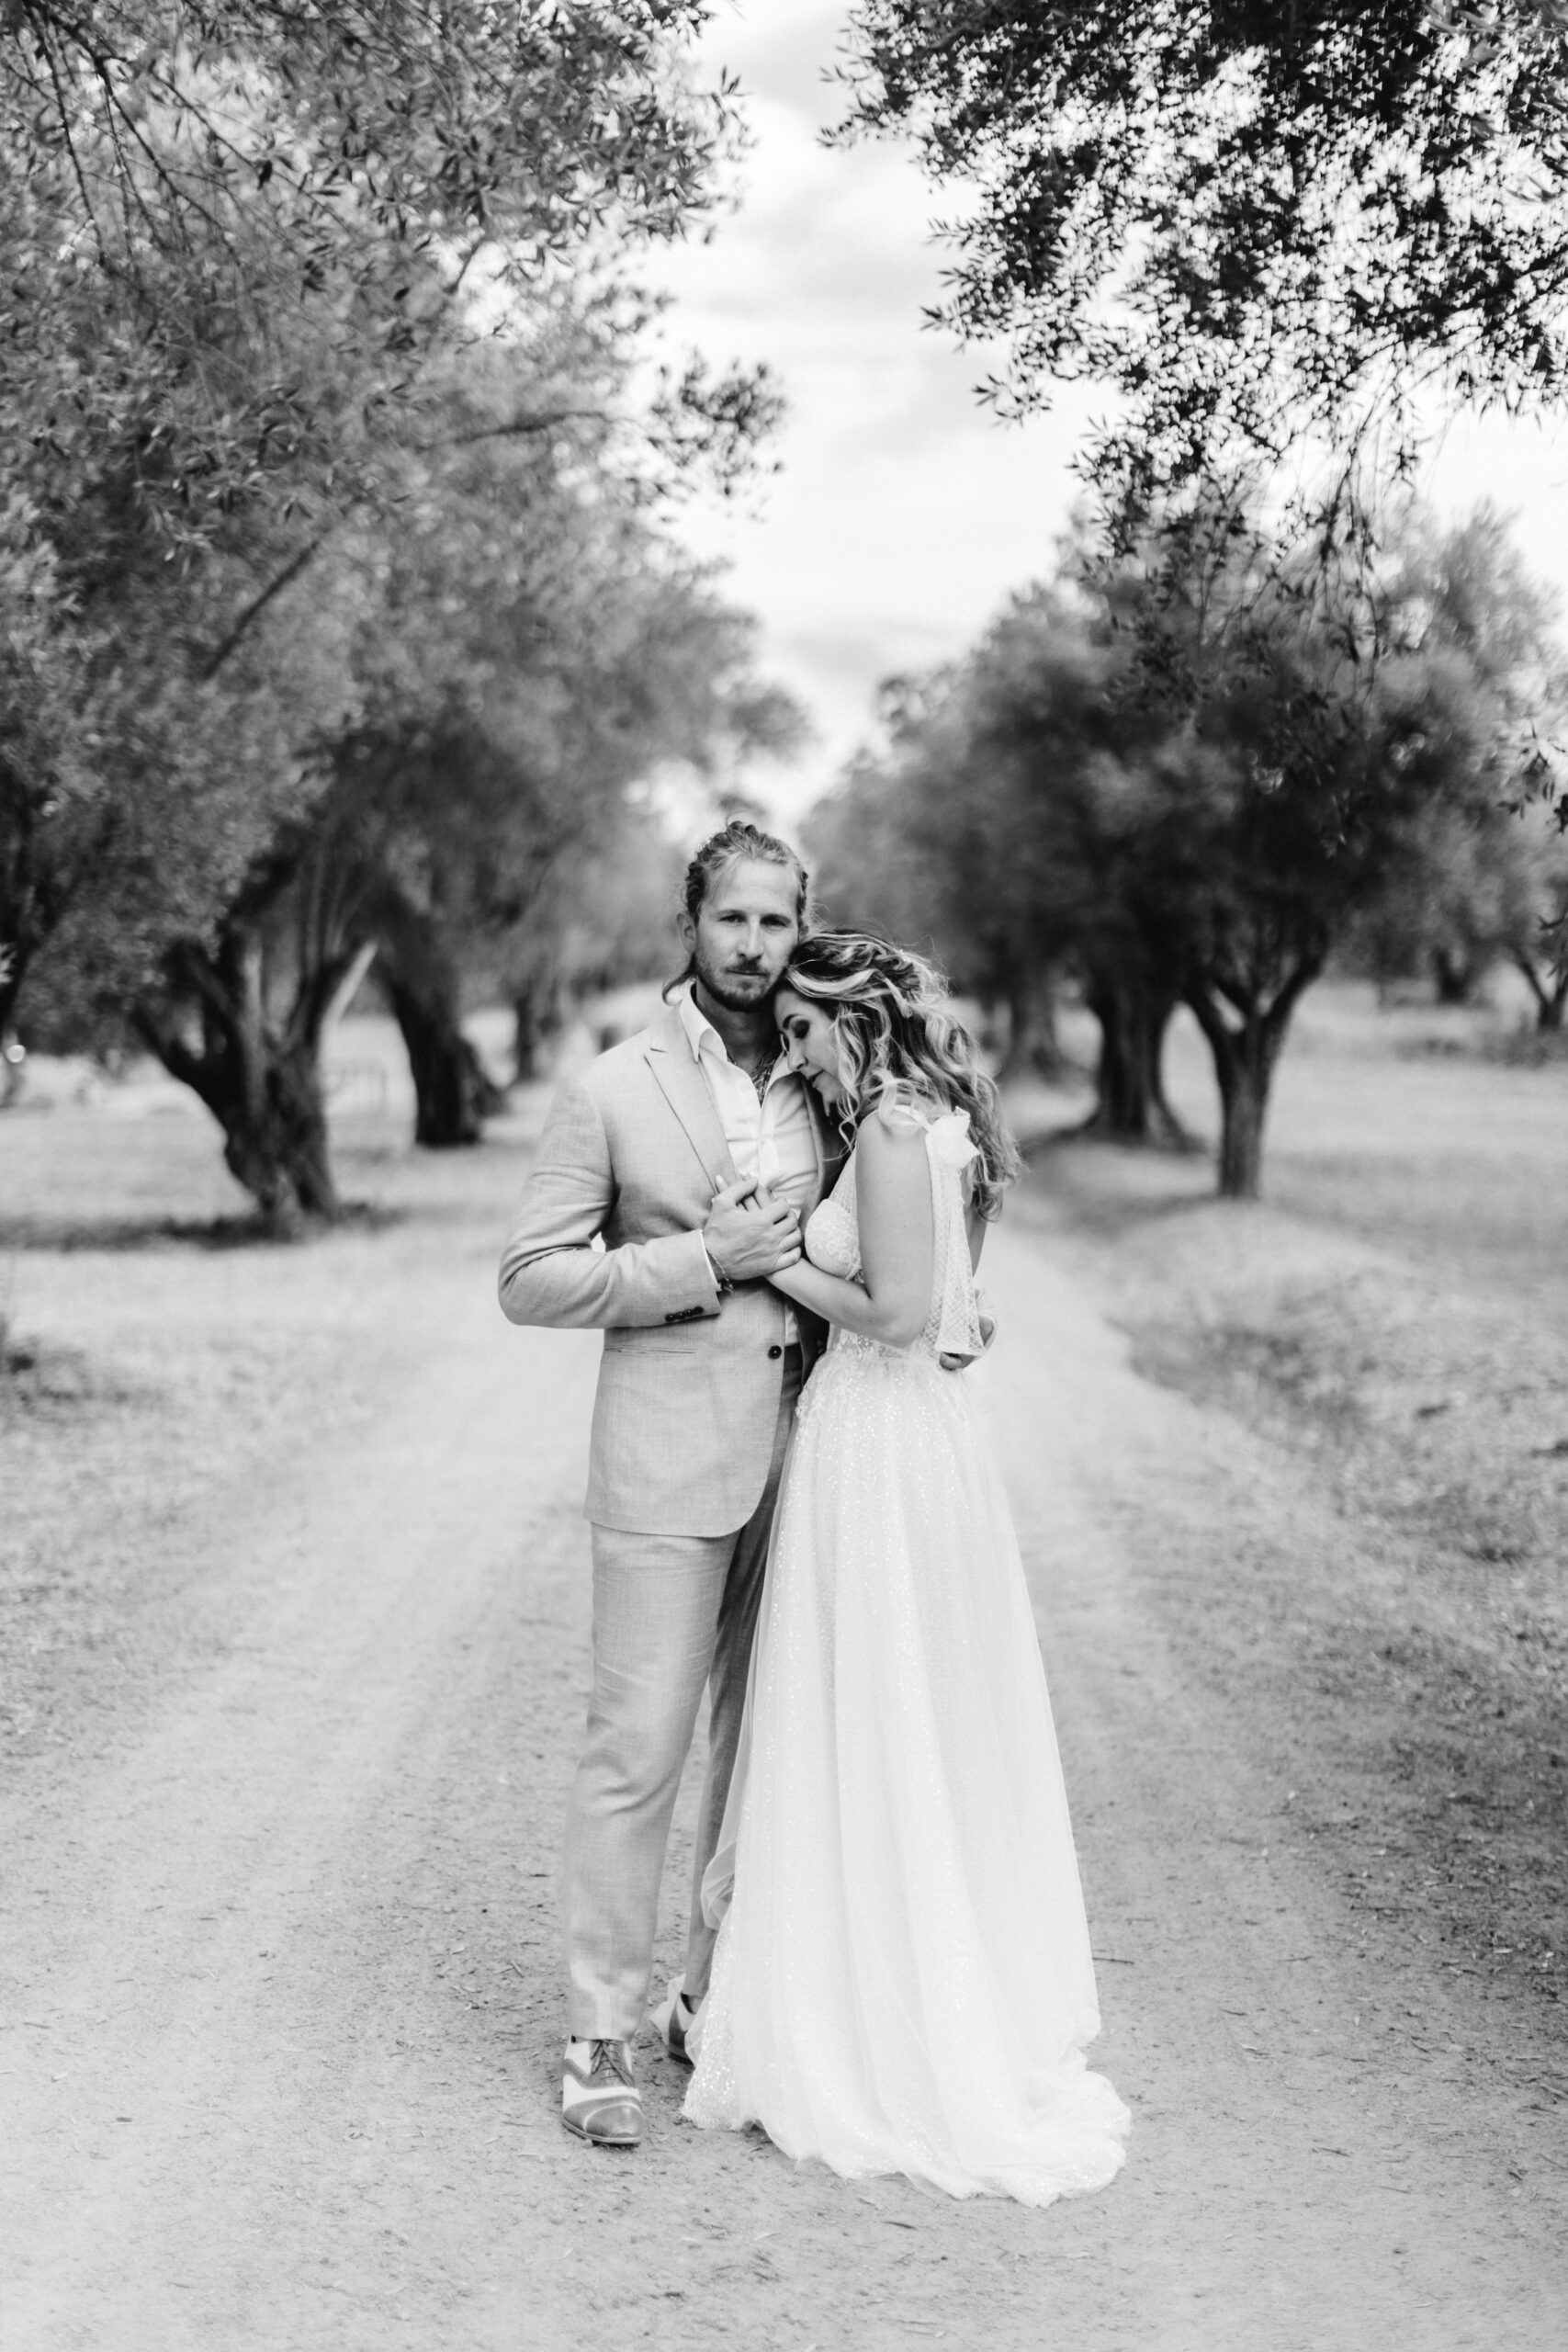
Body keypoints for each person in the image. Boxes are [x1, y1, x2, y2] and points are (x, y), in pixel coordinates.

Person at [682, 932, 1131, 2205]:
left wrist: (766, 1257)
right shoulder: (936, 1122)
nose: (799, 1055)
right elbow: (955, 1309)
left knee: (867, 1707)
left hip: (877, 1440)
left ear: (851, 1019)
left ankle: (874, 2033)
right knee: (896, 1711)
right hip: (915, 1434)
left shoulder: (886, 1129)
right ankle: (871, 1988)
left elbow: (890, 1312)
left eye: (808, 1032)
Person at [497, 821, 840, 2150]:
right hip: (662, 1464)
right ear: (690, 926)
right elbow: (531, 1279)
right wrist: (698, 1257)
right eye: (731, 921)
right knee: (635, 1756)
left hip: (811, 1463)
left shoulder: (832, 1072)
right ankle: (601, 2029)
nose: (753, 947)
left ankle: (714, 2000)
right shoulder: (611, 1087)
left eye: (774, 923)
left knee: (766, 1754)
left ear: (799, 927)